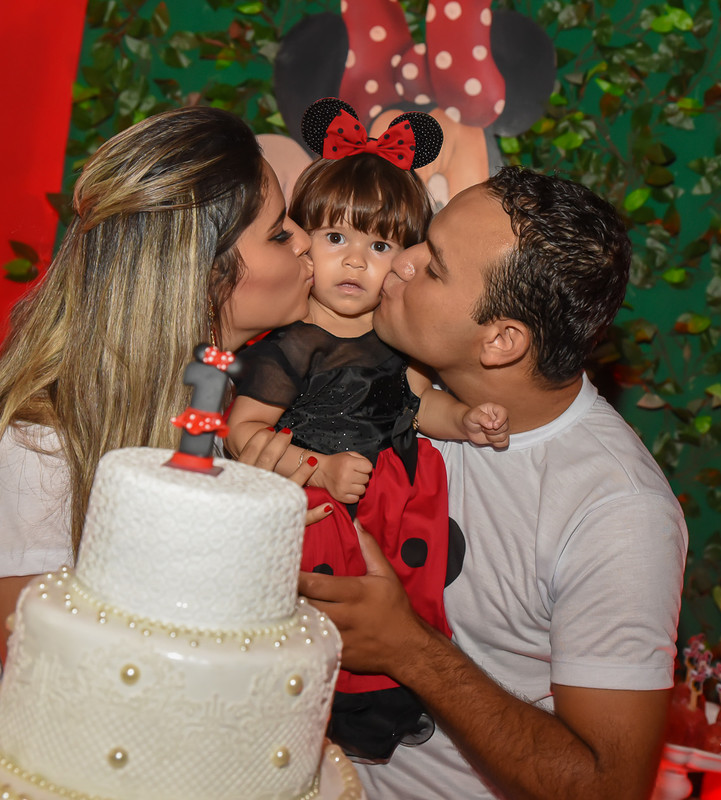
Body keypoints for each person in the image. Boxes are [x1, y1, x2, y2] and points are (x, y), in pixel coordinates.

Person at [0, 105, 321, 800]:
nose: (306, 246)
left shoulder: (206, 409)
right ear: (204, 275)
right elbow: (48, 689)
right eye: (281, 232)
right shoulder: (36, 449)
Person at [299, 166, 689, 799]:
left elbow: (608, 787)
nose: (400, 261)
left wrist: (409, 650)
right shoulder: (374, 358)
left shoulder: (617, 513)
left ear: (502, 341)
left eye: (433, 267)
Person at [225, 99, 508, 762]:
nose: (355, 261)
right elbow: (243, 430)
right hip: (317, 514)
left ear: (404, 259)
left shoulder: (396, 342)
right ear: (302, 241)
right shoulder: (291, 345)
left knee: (385, 627)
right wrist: (316, 468)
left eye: (378, 246)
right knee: (312, 632)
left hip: (395, 507)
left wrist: (463, 419)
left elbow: (415, 405)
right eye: (336, 239)